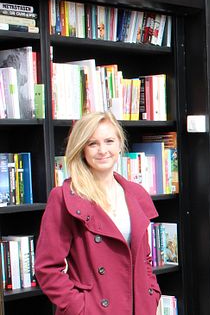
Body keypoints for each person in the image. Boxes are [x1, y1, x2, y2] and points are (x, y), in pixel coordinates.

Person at [35, 111, 161, 314]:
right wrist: (80, 308)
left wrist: (151, 293)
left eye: (109, 141)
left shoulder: (135, 193)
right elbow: (47, 268)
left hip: (139, 308)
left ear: (119, 144)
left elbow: (144, 257)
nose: (103, 150)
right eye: (92, 143)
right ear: (82, 149)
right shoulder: (66, 197)